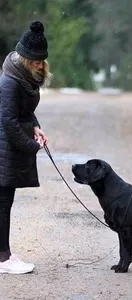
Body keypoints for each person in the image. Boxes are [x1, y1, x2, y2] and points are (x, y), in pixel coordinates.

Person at [0, 20, 52, 274]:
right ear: (24, 58)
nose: (39, 65)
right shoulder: (10, 81)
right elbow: (8, 122)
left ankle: (3, 255)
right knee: (2, 203)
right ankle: (3, 260)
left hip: (9, 147)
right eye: (35, 61)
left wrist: (35, 127)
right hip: (4, 148)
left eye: (42, 61)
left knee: (3, 203)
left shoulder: (23, 77)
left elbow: (24, 113)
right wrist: (31, 147)